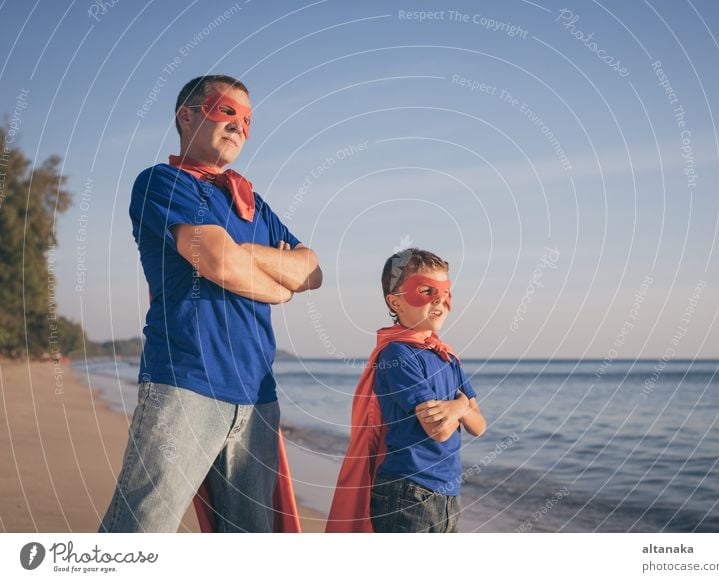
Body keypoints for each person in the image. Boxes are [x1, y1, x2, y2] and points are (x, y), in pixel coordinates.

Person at [98, 74, 322, 533]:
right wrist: (279, 286)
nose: (239, 126)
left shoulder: (253, 205)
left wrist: (252, 257)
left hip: (258, 395)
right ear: (187, 116)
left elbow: (311, 271)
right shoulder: (163, 183)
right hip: (186, 381)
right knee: (141, 530)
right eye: (226, 111)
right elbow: (219, 262)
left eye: (247, 119)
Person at [326, 248, 485, 533]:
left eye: (445, 291)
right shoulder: (397, 355)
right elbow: (440, 430)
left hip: (448, 493)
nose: (440, 299)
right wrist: (462, 407)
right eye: (426, 291)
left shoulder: (446, 356)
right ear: (395, 302)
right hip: (406, 492)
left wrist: (458, 408)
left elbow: (480, 425)